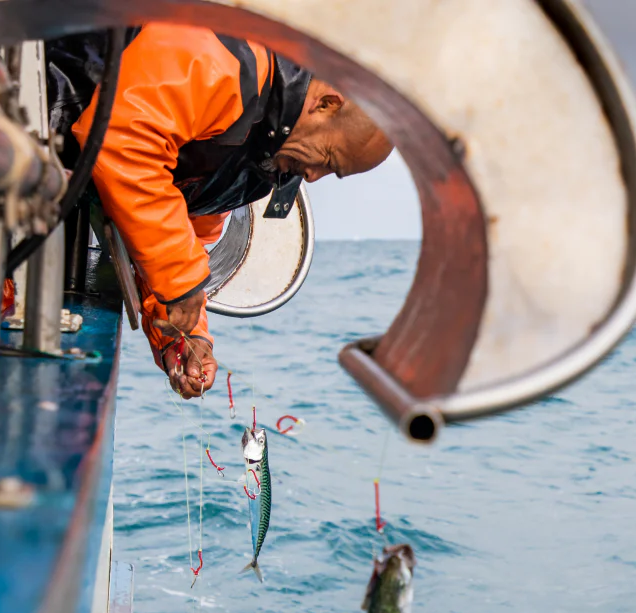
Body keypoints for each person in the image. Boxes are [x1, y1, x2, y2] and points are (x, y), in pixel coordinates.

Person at [68, 23, 393, 398]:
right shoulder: (227, 55)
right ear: (326, 104)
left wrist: (186, 336)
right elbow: (121, 138)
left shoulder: (262, 156)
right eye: (328, 160)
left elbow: (178, 228)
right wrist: (180, 282)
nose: (313, 178)